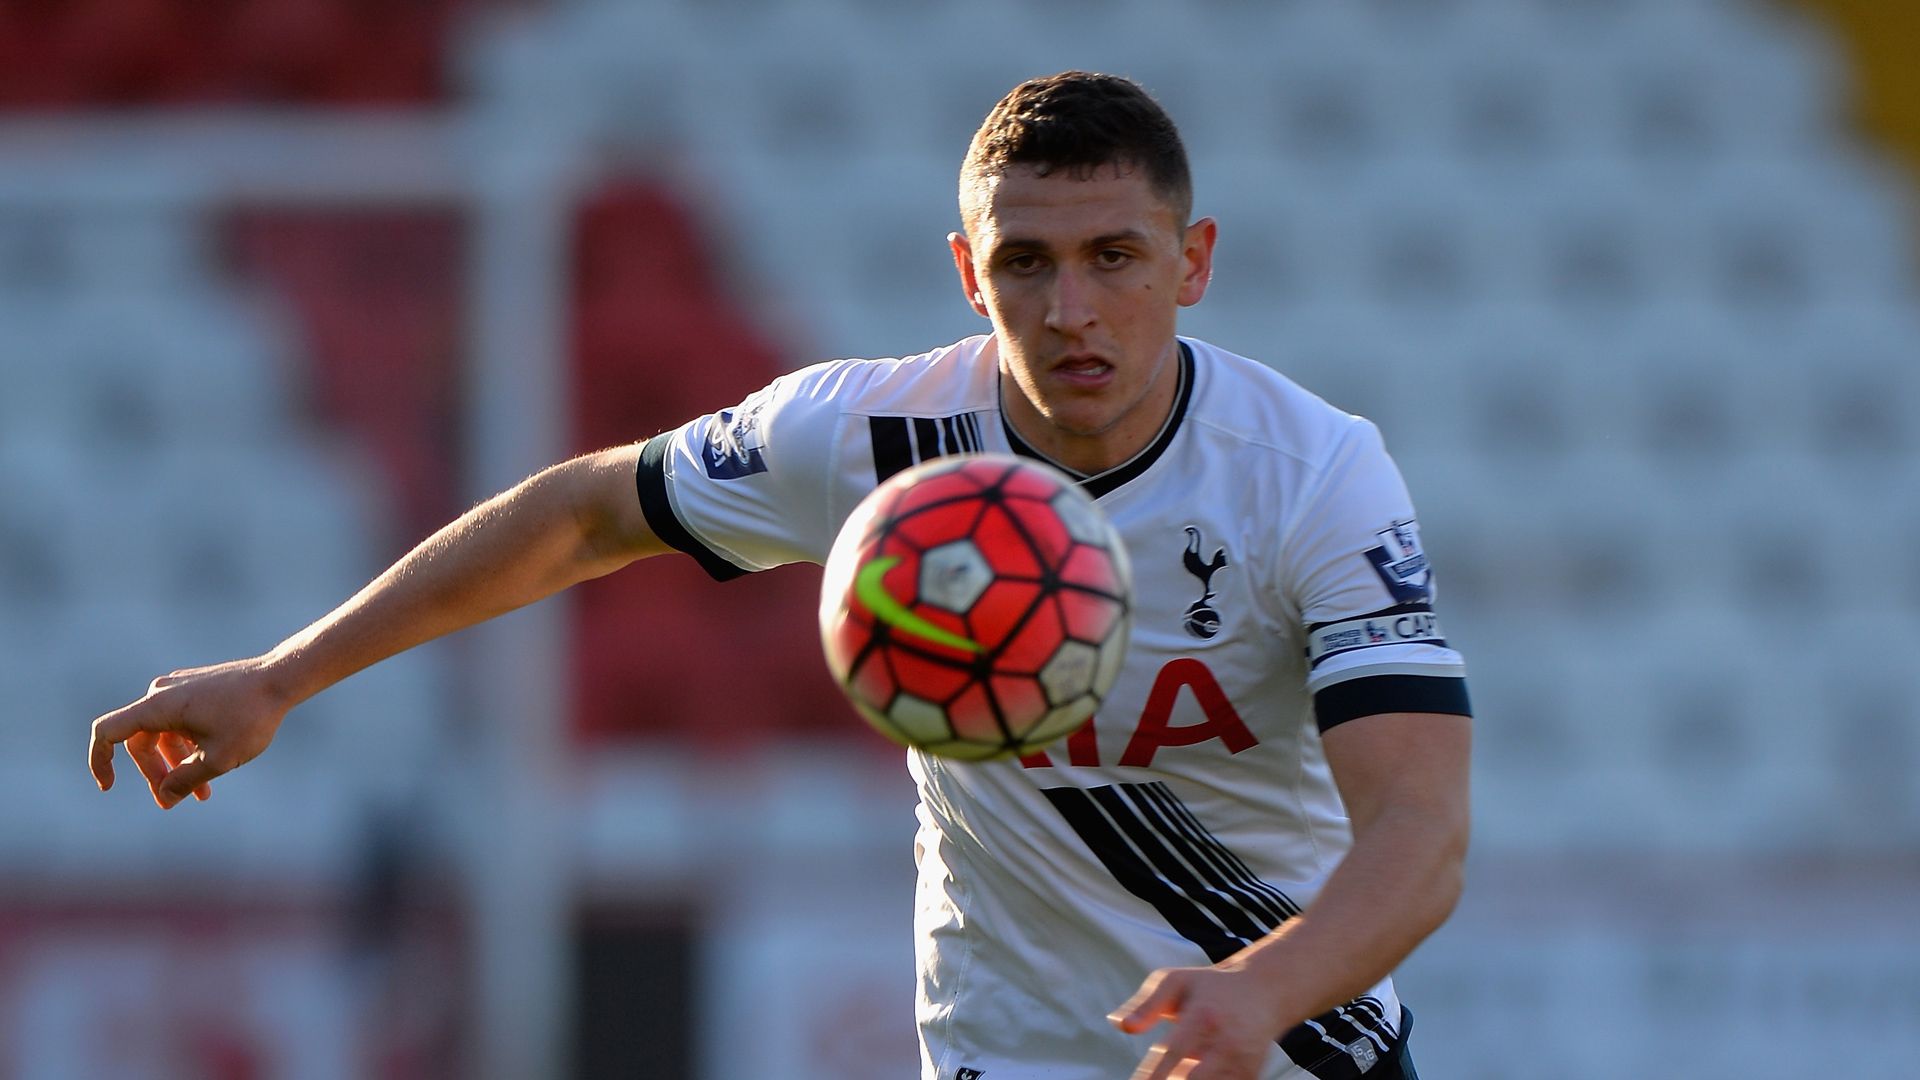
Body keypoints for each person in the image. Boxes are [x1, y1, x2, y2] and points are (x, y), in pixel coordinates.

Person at [89, 71, 1470, 1080]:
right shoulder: (871, 440)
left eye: (1116, 258)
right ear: (968, 273)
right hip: (1010, 1054)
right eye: (1026, 263)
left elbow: (1419, 830)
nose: (1071, 310)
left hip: (1292, 1049)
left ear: (1193, 262)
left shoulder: (1312, 475)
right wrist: (283, 677)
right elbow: (582, 516)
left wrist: (1259, 993)